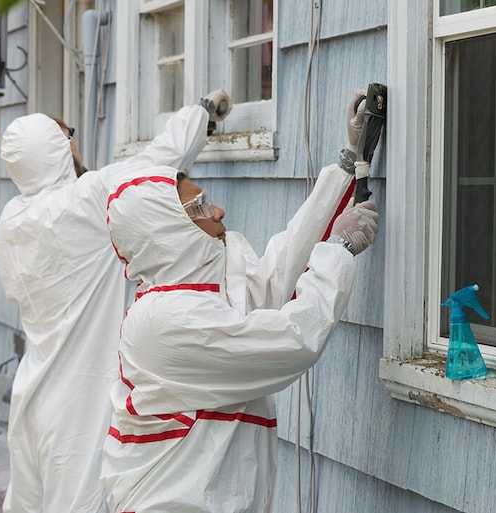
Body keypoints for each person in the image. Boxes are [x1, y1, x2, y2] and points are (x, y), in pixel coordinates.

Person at [99, 91, 380, 513]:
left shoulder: (200, 293)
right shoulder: (165, 323)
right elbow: (289, 341)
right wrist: (337, 248)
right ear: (166, 232)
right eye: (199, 207)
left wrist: (347, 164)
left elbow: (275, 274)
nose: (218, 211)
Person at [0, 89, 232, 513]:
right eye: (68, 135)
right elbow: (161, 159)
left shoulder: (10, 222)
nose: (75, 141)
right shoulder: (88, 199)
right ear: (59, 149)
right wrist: (202, 110)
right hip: (78, 407)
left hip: (30, 398)